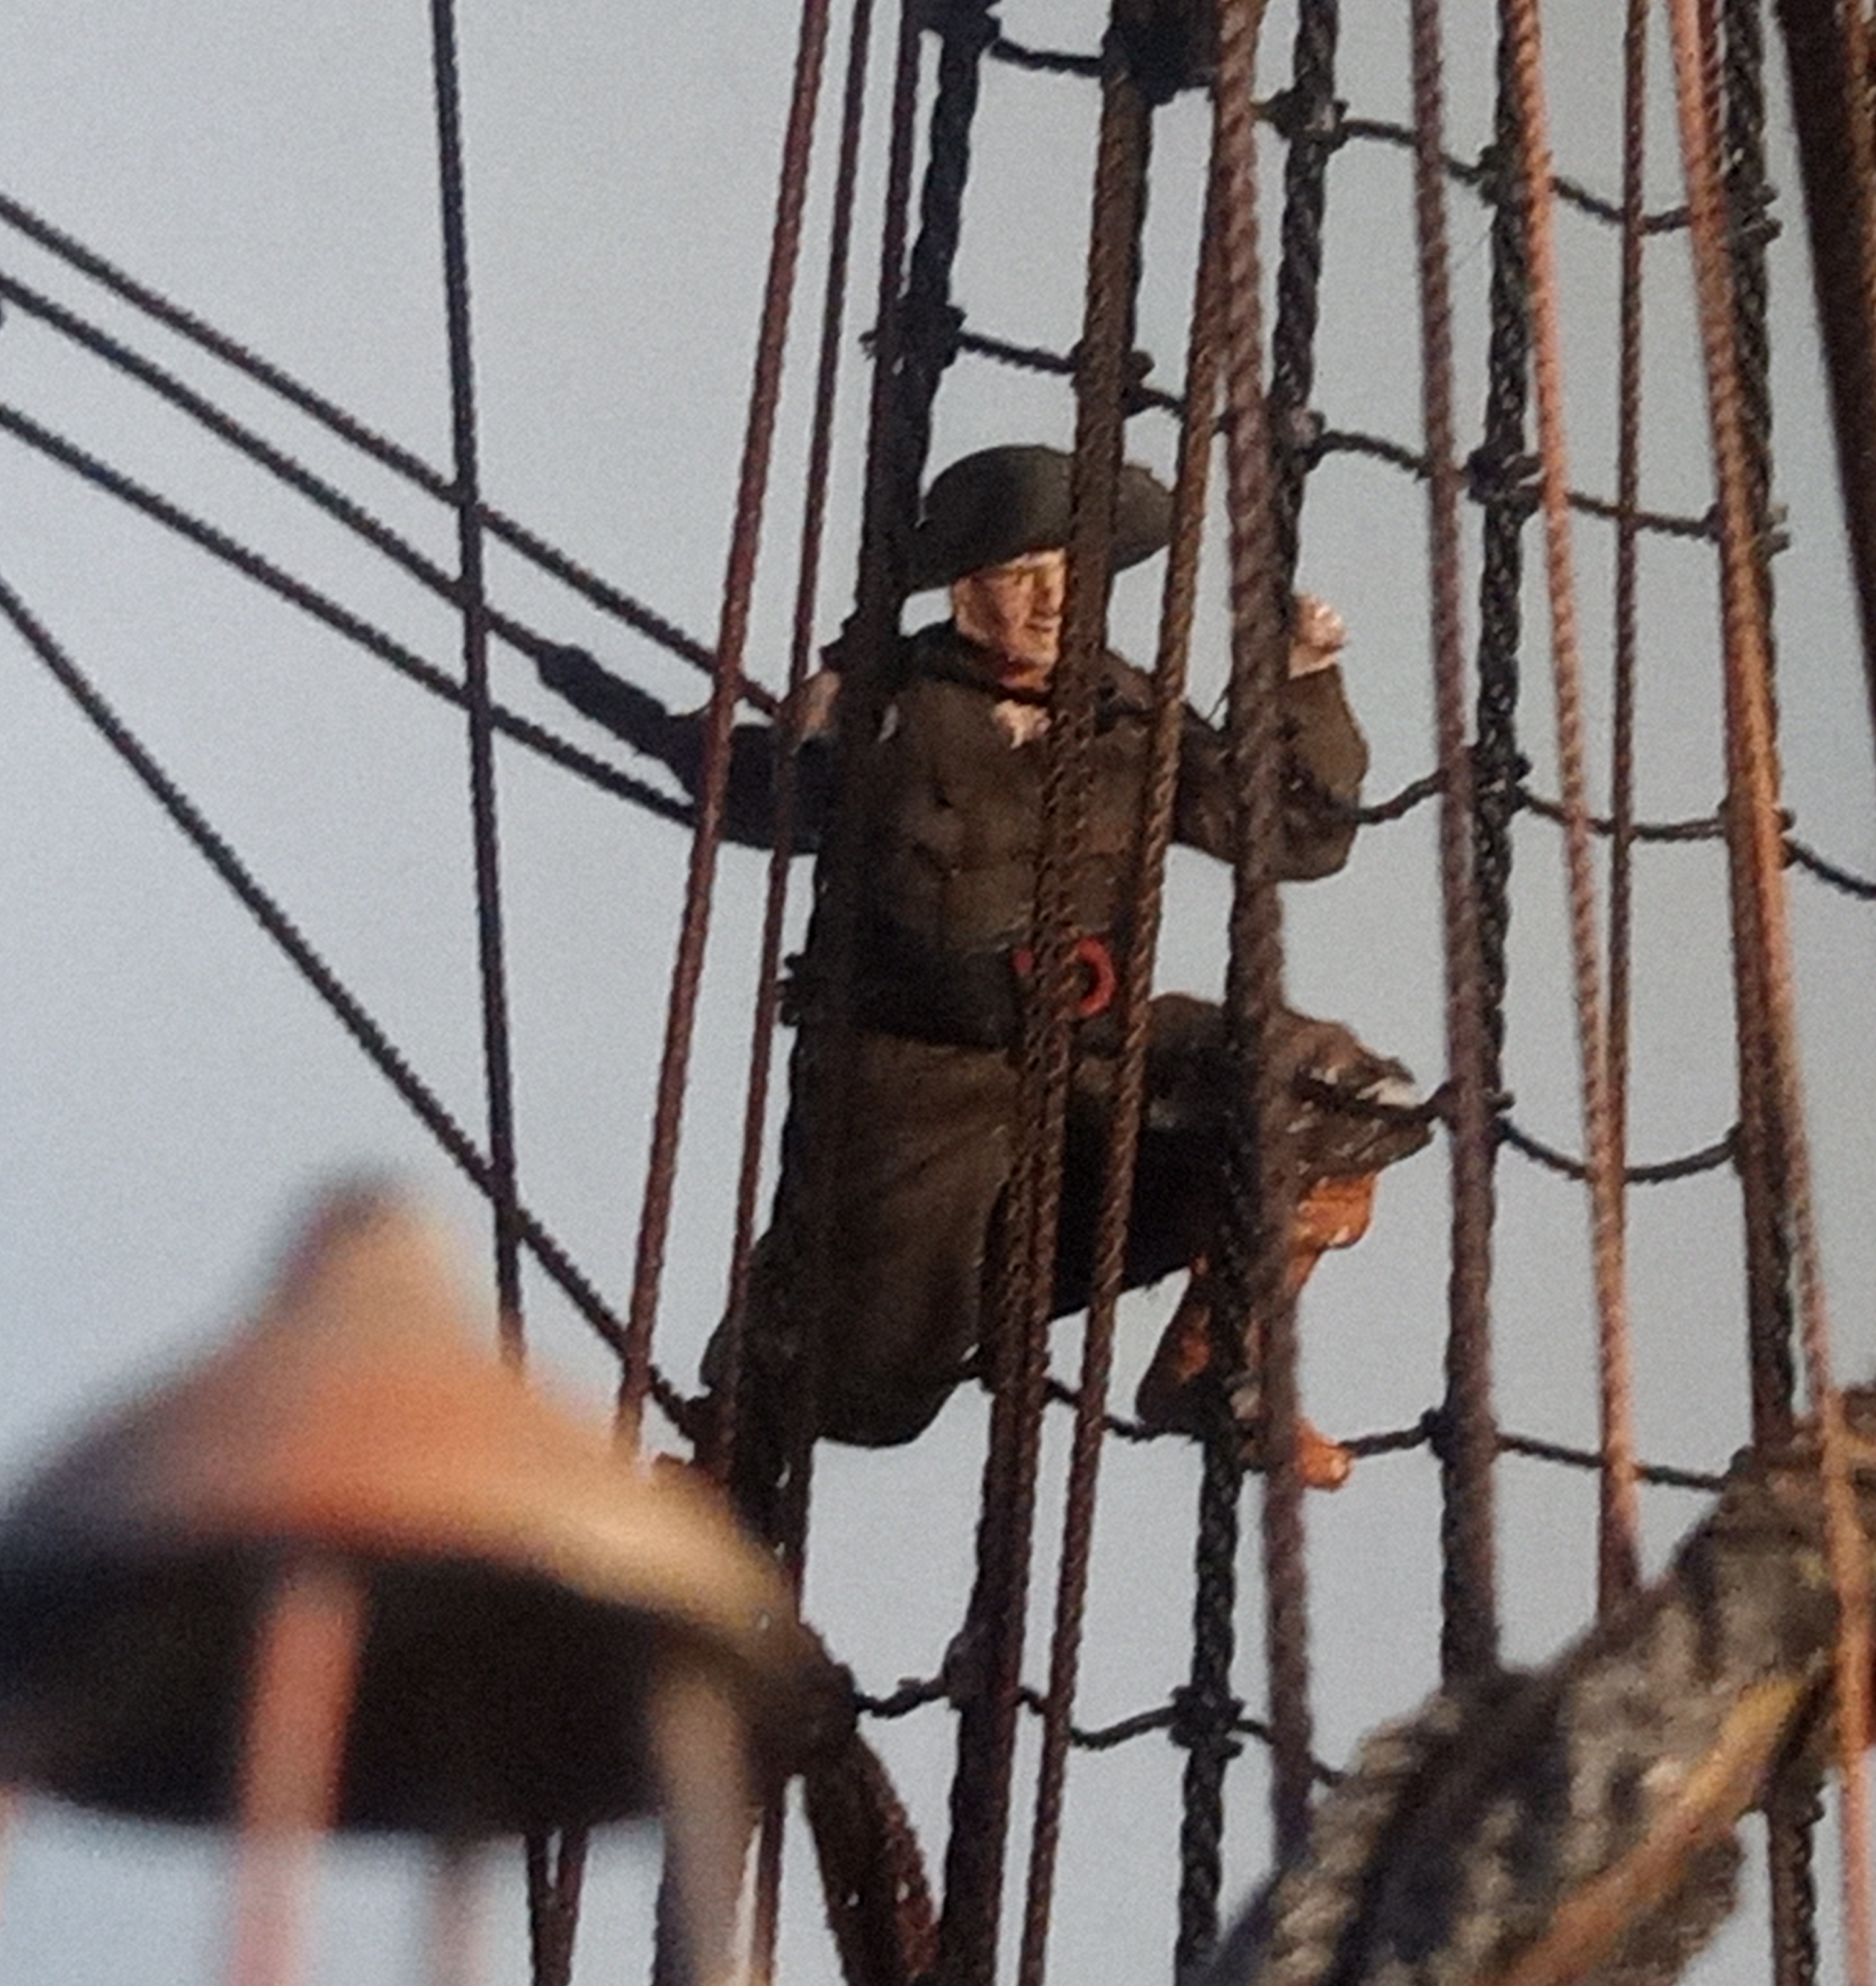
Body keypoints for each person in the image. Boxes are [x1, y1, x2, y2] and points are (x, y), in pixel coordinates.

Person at [540, 444, 1426, 1512]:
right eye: (1021, 574)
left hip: (1098, 1051)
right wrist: (763, 731)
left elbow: (1293, 836)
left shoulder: (1129, 712)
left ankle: (1216, 1358)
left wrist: (1301, 683)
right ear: (964, 589)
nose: (1054, 601)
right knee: (866, 1378)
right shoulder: (893, 705)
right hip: (923, 1081)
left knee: (1337, 1100)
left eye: (1075, 571)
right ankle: (743, 1457)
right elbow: (768, 801)